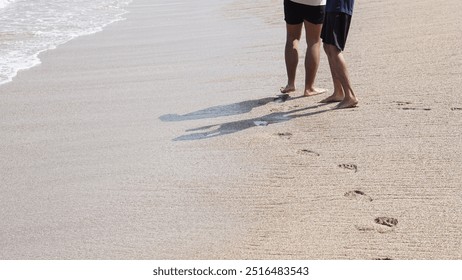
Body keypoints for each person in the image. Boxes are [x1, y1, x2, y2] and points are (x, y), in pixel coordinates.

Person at [281, 0, 327, 97]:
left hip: (292, 1)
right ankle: (309, 87)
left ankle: (290, 83)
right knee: (313, 42)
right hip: (315, 3)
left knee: (292, 38)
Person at [319, 0, 358, 109]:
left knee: (333, 48)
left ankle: (350, 95)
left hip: (339, 6)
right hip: (332, 6)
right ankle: (338, 92)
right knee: (327, 46)